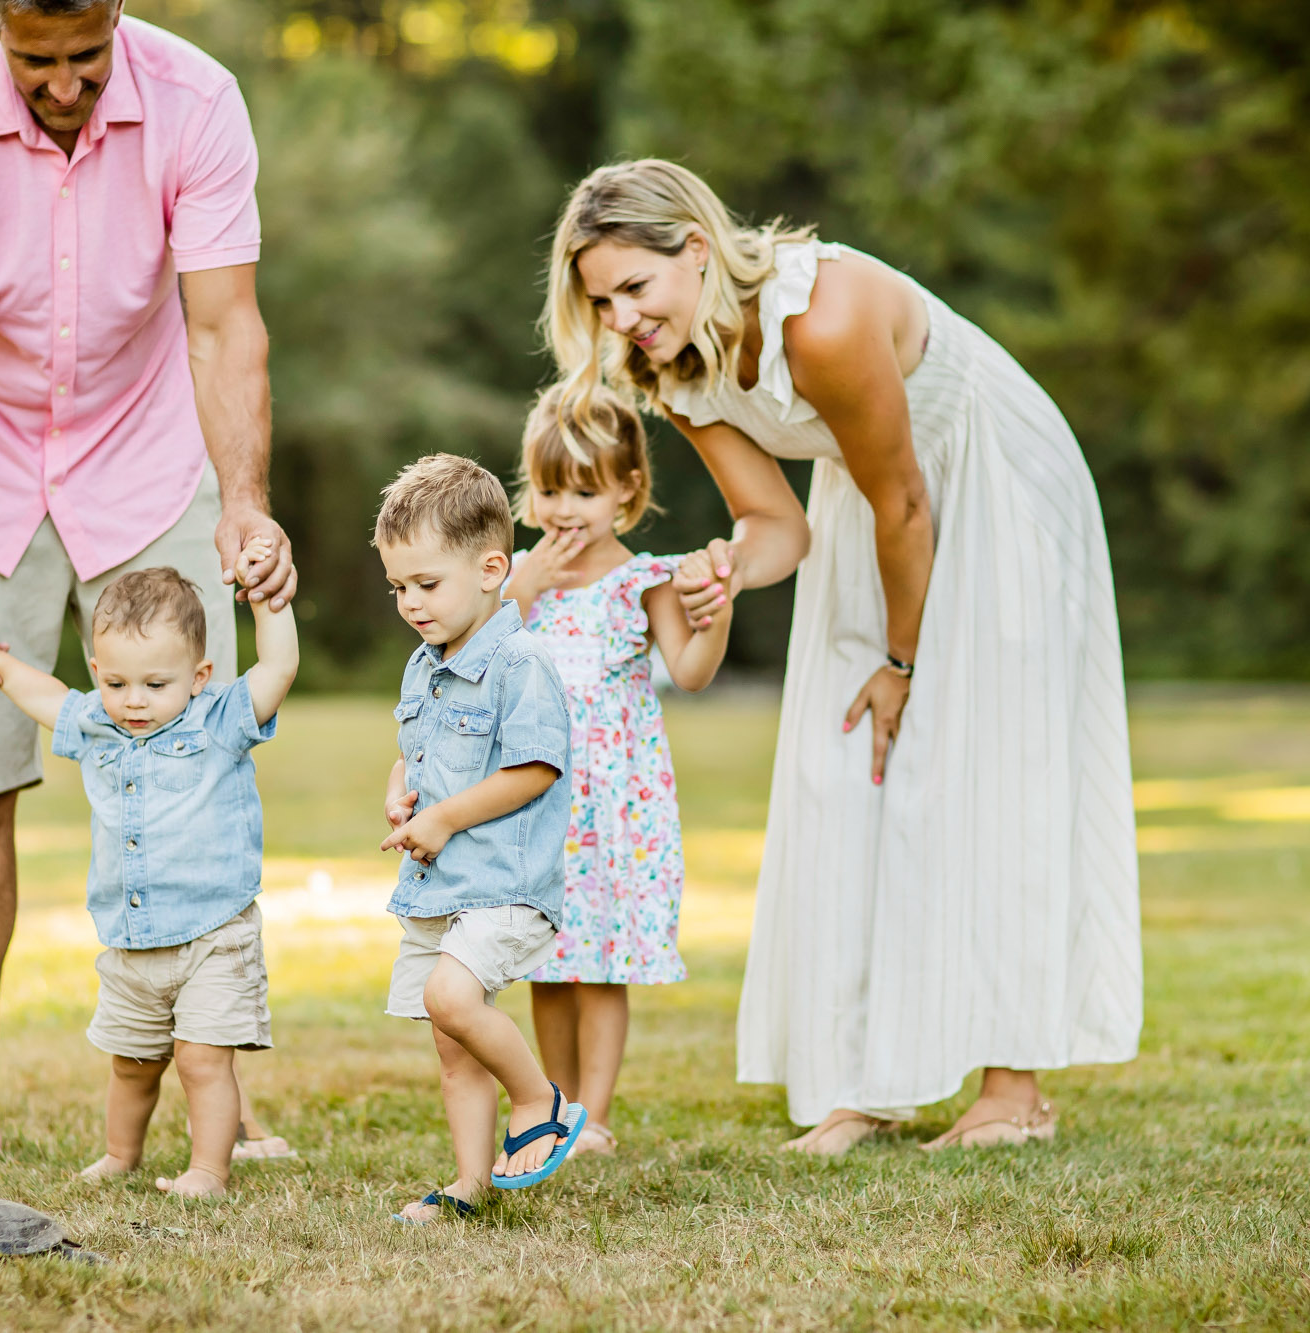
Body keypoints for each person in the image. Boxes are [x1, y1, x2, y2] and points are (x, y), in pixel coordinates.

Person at [542, 160, 1142, 1154]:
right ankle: (870, 1079)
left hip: (987, 483)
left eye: (634, 289)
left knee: (979, 769)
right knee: (840, 769)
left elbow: (905, 497)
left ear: (695, 249)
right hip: (864, 509)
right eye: (600, 301)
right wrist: (724, 569)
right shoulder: (674, 365)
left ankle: (1013, 1091)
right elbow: (774, 521)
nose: (620, 319)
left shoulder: (818, 318)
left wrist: (902, 664)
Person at [0, 0, 296, 1167]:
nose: (64, 84)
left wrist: (245, 498)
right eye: (36, 60)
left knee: (201, 760)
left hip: (149, 457)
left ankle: (225, 1095)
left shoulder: (198, 99)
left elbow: (223, 325)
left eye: (87, 57)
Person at [0, 551, 296, 1195]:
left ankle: (209, 1169)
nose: (134, 702)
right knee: (131, 1064)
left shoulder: (220, 720)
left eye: (157, 686)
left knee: (201, 1060)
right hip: (131, 942)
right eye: (117, 684)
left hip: (214, 937)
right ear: (98, 673)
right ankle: (119, 1156)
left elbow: (279, 666)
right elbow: (44, 694)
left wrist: (269, 596)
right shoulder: (98, 724)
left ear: (199, 674)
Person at [500, 386, 734, 1156]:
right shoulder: (519, 583)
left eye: (586, 490)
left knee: (600, 960)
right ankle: (554, 1102)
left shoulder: (643, 581)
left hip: (614, 801)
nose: (565, 508)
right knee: (548, 958)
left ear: (627, 489)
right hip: (539, 798)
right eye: (550, 488)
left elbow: (691, 671)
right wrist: (518, 592)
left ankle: (592, 1115)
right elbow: (478, 662)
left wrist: (717, 611)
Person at [374, 456, 589, 1224]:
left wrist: (445, 817)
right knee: (451, 1038)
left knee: (449, 995)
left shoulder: (519, 663)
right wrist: (402, 790)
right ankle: (469, 1183)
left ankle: (541, 1099)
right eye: (398, 587)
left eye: (426, 584)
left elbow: (533, 768)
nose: (410, 603)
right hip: (443, 884)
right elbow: (417, 747)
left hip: (503, 882)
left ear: (493, 566)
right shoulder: (425, 664)